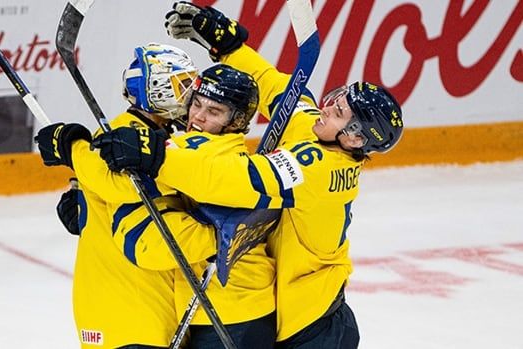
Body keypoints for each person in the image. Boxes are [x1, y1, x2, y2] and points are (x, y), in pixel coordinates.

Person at [94, 3, 404, 348]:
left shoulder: (322, 169)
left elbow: (242, 181)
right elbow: (276, 89)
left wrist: (158, 156)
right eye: (336, 97)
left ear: (356, 138)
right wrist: (231, 50)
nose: (327, 106)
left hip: (314, 327)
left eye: (339, 111)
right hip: (296, 311)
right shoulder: (314, 130)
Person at [36, 43, 276, 348]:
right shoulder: (130, 139)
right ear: (158, 88)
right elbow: (120, 184)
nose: (190, 102)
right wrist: (83, 190)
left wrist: (74, 149)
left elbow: (125, 182)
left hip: (154, 307)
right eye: (185, 87)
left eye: (208, 105)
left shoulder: (163, 145)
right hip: (128, 308)